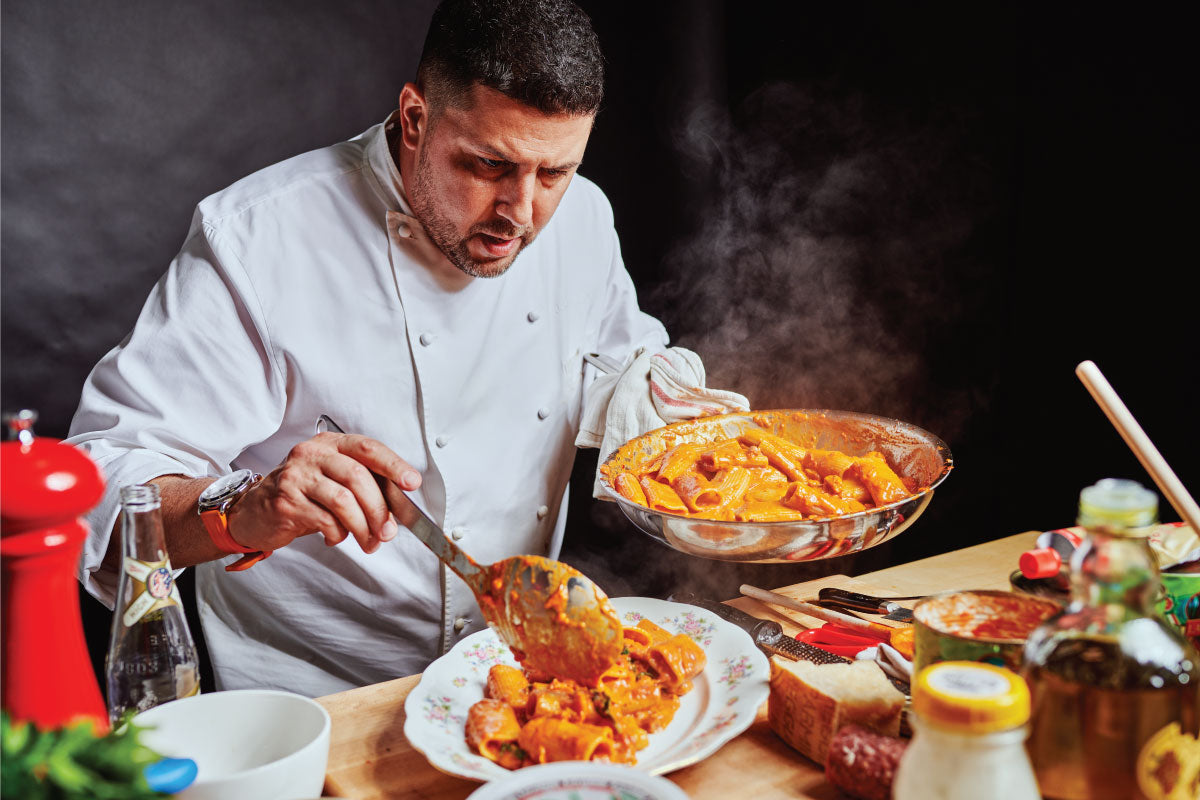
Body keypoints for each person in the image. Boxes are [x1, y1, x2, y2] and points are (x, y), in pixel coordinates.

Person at [67, 0, 669, 697]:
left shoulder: (585, 218)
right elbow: (101, 481)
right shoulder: (257, 239)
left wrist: (679, 416)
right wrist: (245, 508)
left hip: (512, 679)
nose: (521, 212)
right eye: (488, 164)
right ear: (414, 117)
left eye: (554, 173)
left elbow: (623, 379)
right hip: (316, 705)